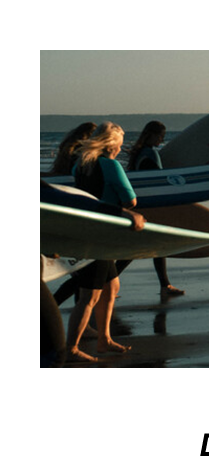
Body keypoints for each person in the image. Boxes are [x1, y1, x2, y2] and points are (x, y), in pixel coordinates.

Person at [66, 122, 144, 361]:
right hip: (102, 235)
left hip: (88, 231)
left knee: (112, 286)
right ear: (111, 145)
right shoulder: (111, 165)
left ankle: (104, 339)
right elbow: (130, 200)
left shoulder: (80, 166)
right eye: (119, 145)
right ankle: (71, 349)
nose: (120, 150)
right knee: (89, 296)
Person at [119, 121, 185, 298]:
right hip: (152, 206)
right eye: (160, 135)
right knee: (143, 247)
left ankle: (165, 285)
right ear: (152, 135)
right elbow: (159, 180)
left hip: (142, 204)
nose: (162, 139)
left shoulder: (139, 154)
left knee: (153, 245)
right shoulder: (150, 154)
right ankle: (103, 283)